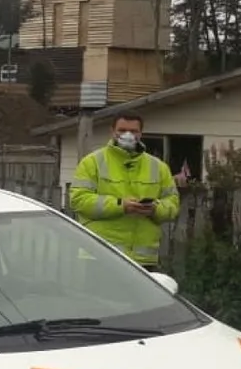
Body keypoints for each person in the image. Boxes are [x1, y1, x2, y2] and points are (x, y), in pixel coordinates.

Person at [68, 114, 178, 269]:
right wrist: (120, 205)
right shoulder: (92, 162)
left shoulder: (159, 167)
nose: (128, 135)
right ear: (112, 131)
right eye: (122, 130)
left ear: (141, 133)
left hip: (143, 260)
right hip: (101, 255)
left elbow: (172, 203)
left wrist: (155, 209)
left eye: (134, 131)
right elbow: (78, 200)